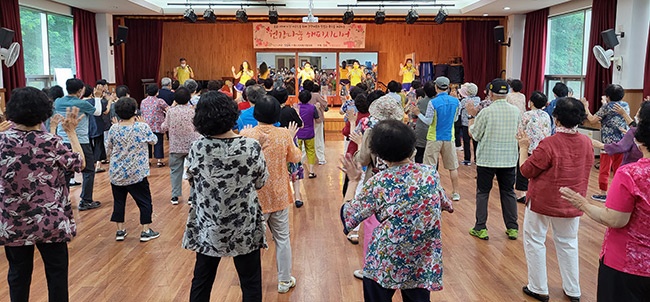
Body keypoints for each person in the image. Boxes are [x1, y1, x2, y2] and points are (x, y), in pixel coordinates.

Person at [340, 119, 453, 302]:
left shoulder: (380, 181)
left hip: (387, 259)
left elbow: (349, 217)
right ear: (412, 147)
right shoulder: (430, 173)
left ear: (380, 155)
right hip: (421, 259)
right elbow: (447, 204)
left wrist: (353, 182)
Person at [559, 102, 650, 302]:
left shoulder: (632, 173)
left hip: (628, 266)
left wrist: (582, 203)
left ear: (641, 137)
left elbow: (616, 220)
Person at [0, 87, 85, 302]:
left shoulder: (1, 142)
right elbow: (79, 163)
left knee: (18, 275)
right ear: (43, 113)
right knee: (57, 275)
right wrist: (72, 132)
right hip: (50, 221)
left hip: (13, 222)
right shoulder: (50, 142)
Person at [183, 91, 268, 302]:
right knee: (250, 282)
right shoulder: (250, 146)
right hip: (243, 224)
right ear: (231, 114)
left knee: (202, 280)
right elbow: (260, 182)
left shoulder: (198, 147)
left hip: (208, 223)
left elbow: (192, 180)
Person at [517, 97, 593, 302]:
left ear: (556, 118)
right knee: (568, 242)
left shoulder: (549, 143)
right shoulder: (586, 142)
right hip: (572, 201)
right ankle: (573, 289)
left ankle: (539, 287)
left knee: (535, 240)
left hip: (543, 201)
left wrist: (523, 147)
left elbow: (526, 170)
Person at [240, 96, 302, 294]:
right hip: (279, 195)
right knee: (282, 239)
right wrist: (291, 138)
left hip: (254, 197)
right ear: (276, 114)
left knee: (252, 243)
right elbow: (295, 157)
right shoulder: (283, 134)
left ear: (256, 112)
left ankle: (252, 285)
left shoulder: (246, 134)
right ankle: (284, 281)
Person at [468, 78, 521, 240]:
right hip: (509, 159)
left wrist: (471, 122)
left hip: (487, 159)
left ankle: (480, 227)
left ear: (491, 93)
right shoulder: (516, 111)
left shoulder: (486, 112)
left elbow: (475, 134)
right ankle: (512, 228)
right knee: (508, 192)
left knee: (483, 193)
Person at [107, 97, 160, 242]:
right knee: (144, 201)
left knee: (119, 202)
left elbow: (108, 148)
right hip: (137, 173)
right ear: (135, 111)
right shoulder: (141, 127)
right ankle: (145, 230)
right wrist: (145, 124)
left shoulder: (113, 128)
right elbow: (153, 140)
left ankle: (120, 231)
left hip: (117, 172)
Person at [54, 78, 103, 211]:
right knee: (88, 171)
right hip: (80, 141)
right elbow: (97, 112)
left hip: (62, 142)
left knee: (65, 173)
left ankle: (63, 202)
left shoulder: (58, 102)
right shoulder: (81, 103)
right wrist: (97, 98)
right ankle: (86, 201)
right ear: (81, 90)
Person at [412, 77, 461, 201]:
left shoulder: (433, 103)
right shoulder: (456, 102)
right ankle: (456, 193)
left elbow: (428, 121)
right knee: (453, 166)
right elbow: (455, 119)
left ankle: (430, 192)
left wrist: (418, 114)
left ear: (436, 87)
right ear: (448, 86)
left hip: (434, 137)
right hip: (449, 137)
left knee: (429, 167)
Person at [583, 84, 630, 202]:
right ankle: (618, 193)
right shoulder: (625, 105)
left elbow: (592, 120)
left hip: (607, 144)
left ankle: (603, 193)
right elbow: (611, 112)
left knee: (604, 169)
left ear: (608, 96)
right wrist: (605, 102)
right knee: (619, 169)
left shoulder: (606, 107)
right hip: (622, 143)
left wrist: (586, 107)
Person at [161, 87, 200, 205]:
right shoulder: (193, 111)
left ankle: (175, 196)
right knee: (194, 170)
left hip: (175, 146)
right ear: (188, 98)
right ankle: (192, 196)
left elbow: (164, 127)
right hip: (192, 145)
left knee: (175, 171)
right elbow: (197, 127)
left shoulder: (171, 111)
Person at [515, 91, 552, 203]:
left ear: (531, 102)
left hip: (528, 147)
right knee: (539, 170)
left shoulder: (527, 115)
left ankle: (522, 194)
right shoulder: (546, 115)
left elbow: (520, 131)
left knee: (523, 168)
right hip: (543, 147)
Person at [273, 88, 306, 208]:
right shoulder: (289, 111)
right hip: (291, 141)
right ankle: (297, 197)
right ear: (286, 98)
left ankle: (281, 198)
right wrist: (297, 113)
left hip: (276, 143)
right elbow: (301, 124)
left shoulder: (272, 111)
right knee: (295, 169)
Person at [590, 102, 648, 167]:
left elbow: (620, 147)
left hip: (631, 168)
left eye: (639, 112)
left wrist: (600, 145)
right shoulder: (635, 131)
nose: (636, 114)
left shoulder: (634, 131)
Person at [140, 84, 169, 167]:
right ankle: (159, 161)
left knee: (147, 143)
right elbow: (168, 109)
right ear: (157, 92)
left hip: (146, 126)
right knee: (159, 142)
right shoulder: (160, 101)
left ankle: (148, 160)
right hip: (157, 125)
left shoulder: (143, 101)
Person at [296, 90, 319, 178]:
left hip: (298, 133)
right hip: (309, 133)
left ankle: (297, 170)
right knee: (311, 152)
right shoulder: (312, 107)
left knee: (297, 151)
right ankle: (311, 172)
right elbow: (317, 119)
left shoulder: (296, 107)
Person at [304, 80, 328, 165]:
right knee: (318, 138)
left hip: (306, 120)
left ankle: (303, 159)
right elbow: (325, 104)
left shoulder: (303, 95)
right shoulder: (316, 95)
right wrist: (325, 95)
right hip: (317, 119)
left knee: (305, 139)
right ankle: (321, 158)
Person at [458, 83, 480, 165]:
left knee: (466, 142)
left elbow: (459, 109)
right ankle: (476, 159)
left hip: (465, 124)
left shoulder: (464, 101)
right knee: (475, 142)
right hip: (476, 123)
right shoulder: (478, 99)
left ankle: (467, 159)